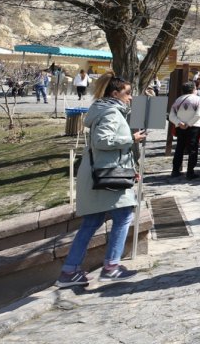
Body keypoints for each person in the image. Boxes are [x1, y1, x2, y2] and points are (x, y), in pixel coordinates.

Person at [55, 74, 145, 287]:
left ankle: (69, 271)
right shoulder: (112, 112)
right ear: (115, 94)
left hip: (98, 172)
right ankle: (111, 267)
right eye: (127, 93)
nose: (130, 98)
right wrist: (131, 138)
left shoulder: (103, 110)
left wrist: (130, 168)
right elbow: (102, 141)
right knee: (123, 215)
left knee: (92, 222)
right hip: (107, 174)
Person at [168, 81, 200, 180]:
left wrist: (179, 123)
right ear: (193, 89)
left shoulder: (178, 100)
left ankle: (175, 170)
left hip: (180, 127)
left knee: (179, 148)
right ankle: (190, 171)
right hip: (194, 126)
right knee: (193, 149)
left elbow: (171, 115)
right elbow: (199, 114)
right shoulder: (198, 99)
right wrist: (189, 123)